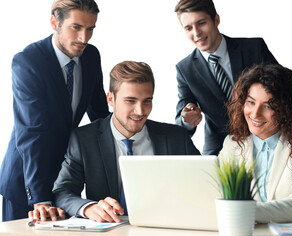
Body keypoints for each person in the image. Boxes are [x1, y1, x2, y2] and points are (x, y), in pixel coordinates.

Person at [173, 0, 292, 168]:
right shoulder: (184, 69)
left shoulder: (253, 48)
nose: (196, 33)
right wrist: (187, 117)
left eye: (201, 23)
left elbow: (291, 93)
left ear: (216, 20)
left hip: (270, 138)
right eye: (188, 28)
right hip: (221, 146)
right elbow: (183, 113)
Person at [29, 61, 200, 222]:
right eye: (130, 101)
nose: (140, 111)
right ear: (110, 99)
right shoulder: (83, 139)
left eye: (147, 101)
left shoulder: (177, 138)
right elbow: (62, 192)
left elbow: (205, 185)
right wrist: (89, 208)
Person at [0, 0, 109, 222]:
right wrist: (40, 199)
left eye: (90, 29)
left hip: (65, 178)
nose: (84, 38)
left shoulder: (90, 56)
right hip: (27, 180)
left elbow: (99, 115)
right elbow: (33, 132)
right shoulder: (28, 62)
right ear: (54, 22)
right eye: (76, 27)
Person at [219, 64, 292, 223]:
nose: (255, 114)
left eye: (268, 106)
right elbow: (217, 194)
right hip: (250, 232)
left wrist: (244, 212)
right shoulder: (232, 145)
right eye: (251, 102)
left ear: (286, 111)